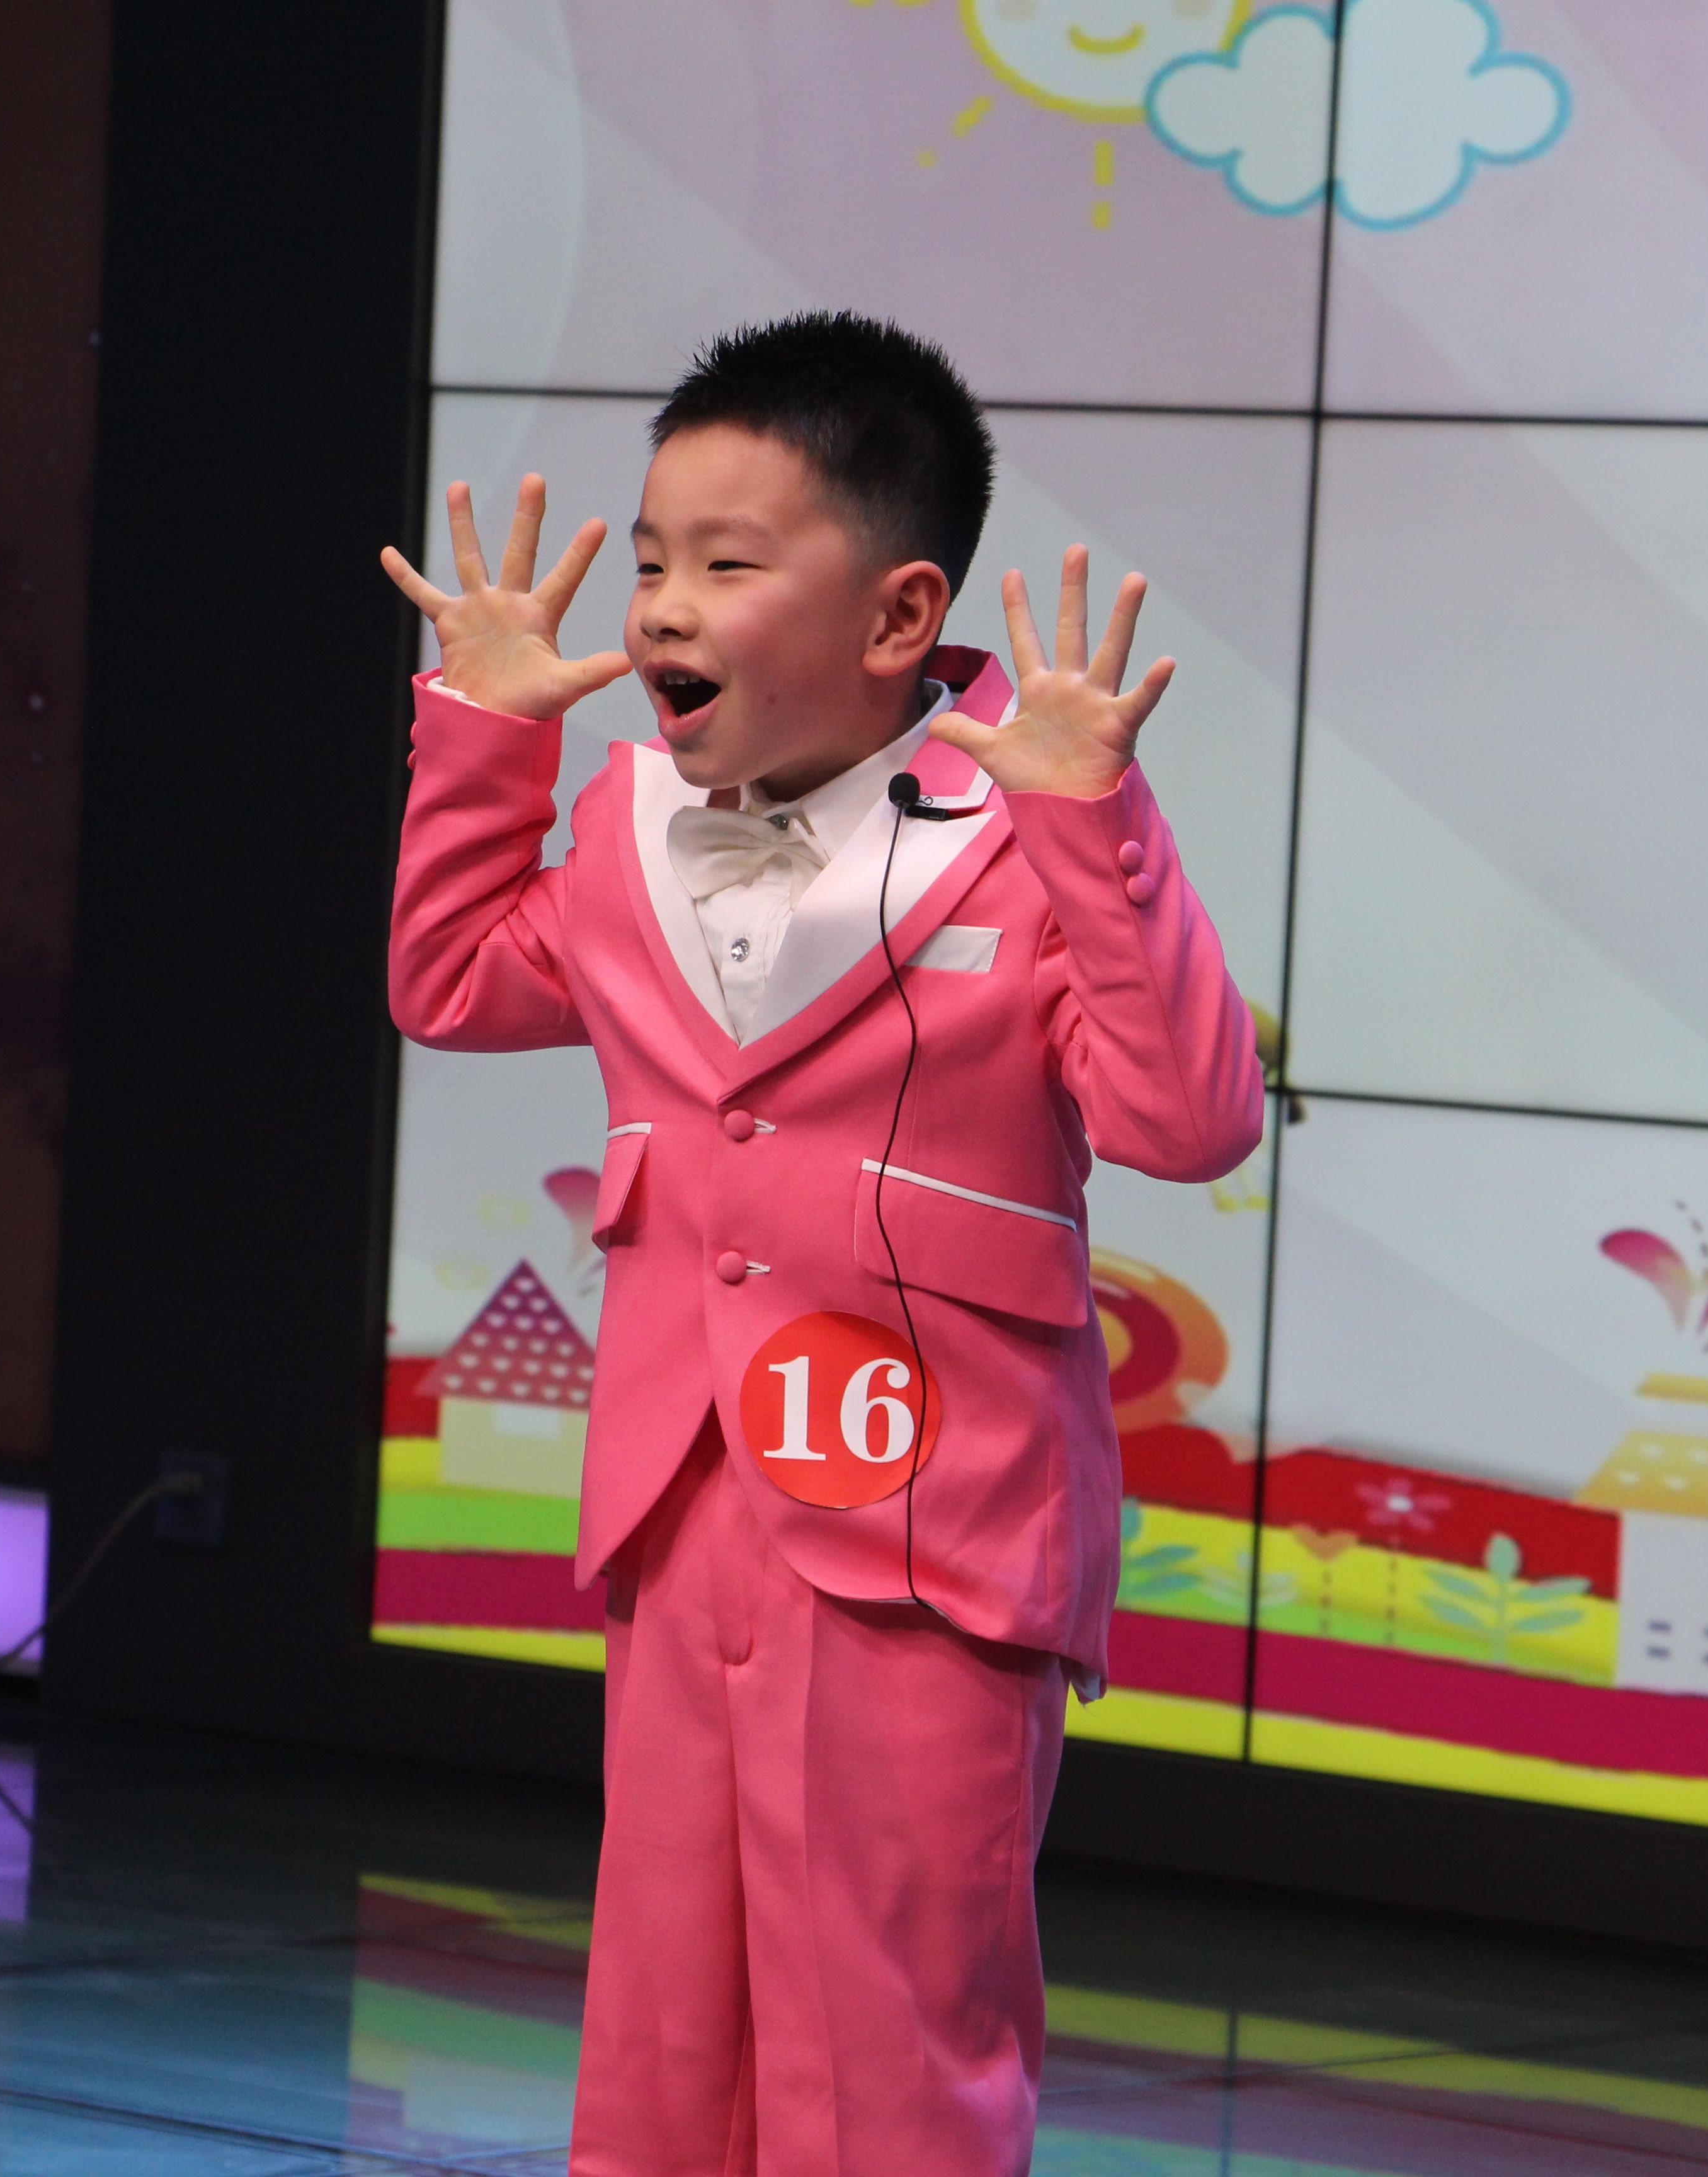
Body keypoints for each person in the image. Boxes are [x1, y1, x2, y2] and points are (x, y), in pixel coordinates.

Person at [382, 312, 1261, 2177]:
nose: (662, 610)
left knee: (887, 2041)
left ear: (895, 613)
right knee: (663, 2026)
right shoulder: (624, 828)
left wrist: (1095, 822)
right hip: (682, 1506)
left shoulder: (1021, 842)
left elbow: (1188, 1121)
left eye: (726, 566)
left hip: (935, 1529)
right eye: (650, 564)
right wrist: (486, 735)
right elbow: (449, 981)